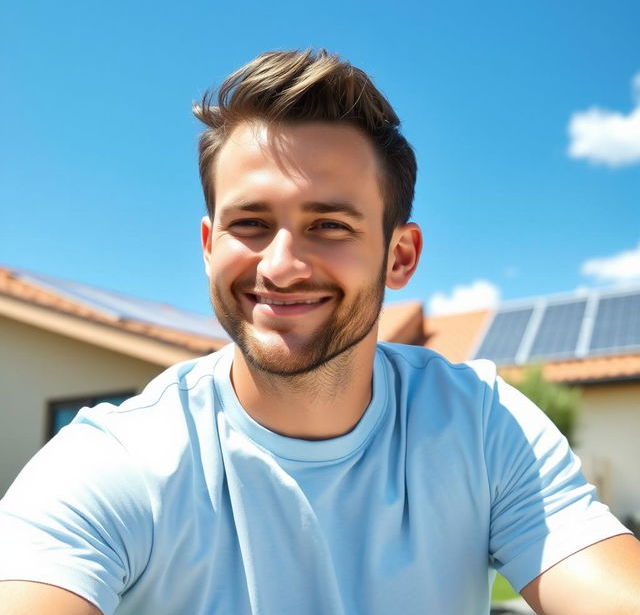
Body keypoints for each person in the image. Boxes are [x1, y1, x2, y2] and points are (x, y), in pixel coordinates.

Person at [0, 50, 639, 615]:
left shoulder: (481, 426)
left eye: (329, 225)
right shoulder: (115, 461)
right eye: (249, 222)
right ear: (207, 244)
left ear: (401, 256)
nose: (278, 266)